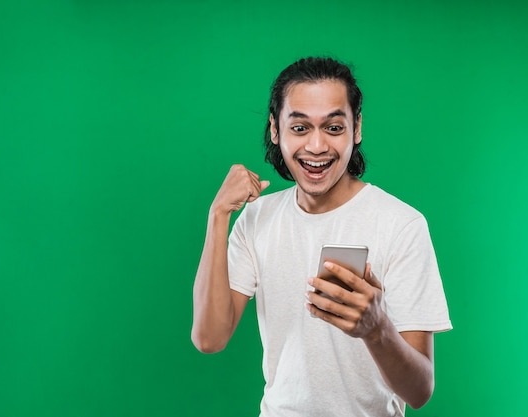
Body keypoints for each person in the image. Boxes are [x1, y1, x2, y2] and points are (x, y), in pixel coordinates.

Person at [191, 57, 452, 417]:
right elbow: (209, 338)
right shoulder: (257, 218)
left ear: (356, 128)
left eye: (333, 127)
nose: (316, 147)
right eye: (300, 128)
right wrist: (218, 215)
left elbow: (420, 390)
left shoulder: (402, 224)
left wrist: (377, 329)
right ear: (275, 129)